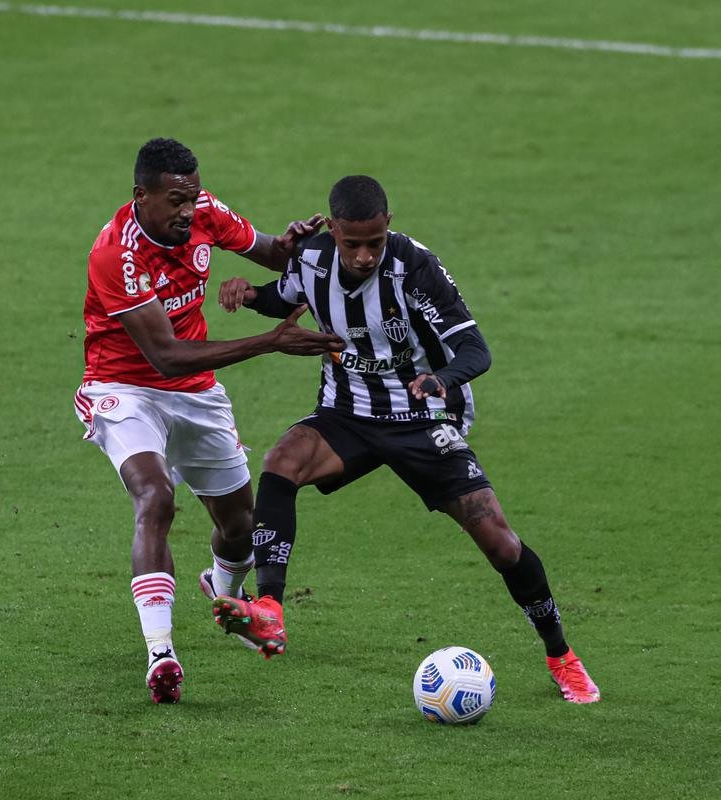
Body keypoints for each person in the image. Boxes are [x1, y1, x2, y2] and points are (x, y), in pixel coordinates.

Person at [212, 175, 600, 704]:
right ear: (334, 231)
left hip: (423, 416)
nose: (366, 255)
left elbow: (474, 349)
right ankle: (270, 612)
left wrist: (442, 379)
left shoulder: (414, 267)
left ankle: (563, 657)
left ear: (388, 226)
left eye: (375, 242)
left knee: (499, 541)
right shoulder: (310, 257)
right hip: (346, 412)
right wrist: (248, 293)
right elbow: (285, 298)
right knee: (282, 462)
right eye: (353, 244)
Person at [73, 138, 344, 704]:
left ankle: (223, 591)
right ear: (140, 196)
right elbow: (165, 356)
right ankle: (161, 653)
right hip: (125, 387)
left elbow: (271, 253)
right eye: (174, 201)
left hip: (195, 393)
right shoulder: (116, 255)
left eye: (191, 199)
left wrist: (291, 245)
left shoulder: (204, 212)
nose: (186, 212)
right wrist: (270, 341)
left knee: (240, 526)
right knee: (156, 497)